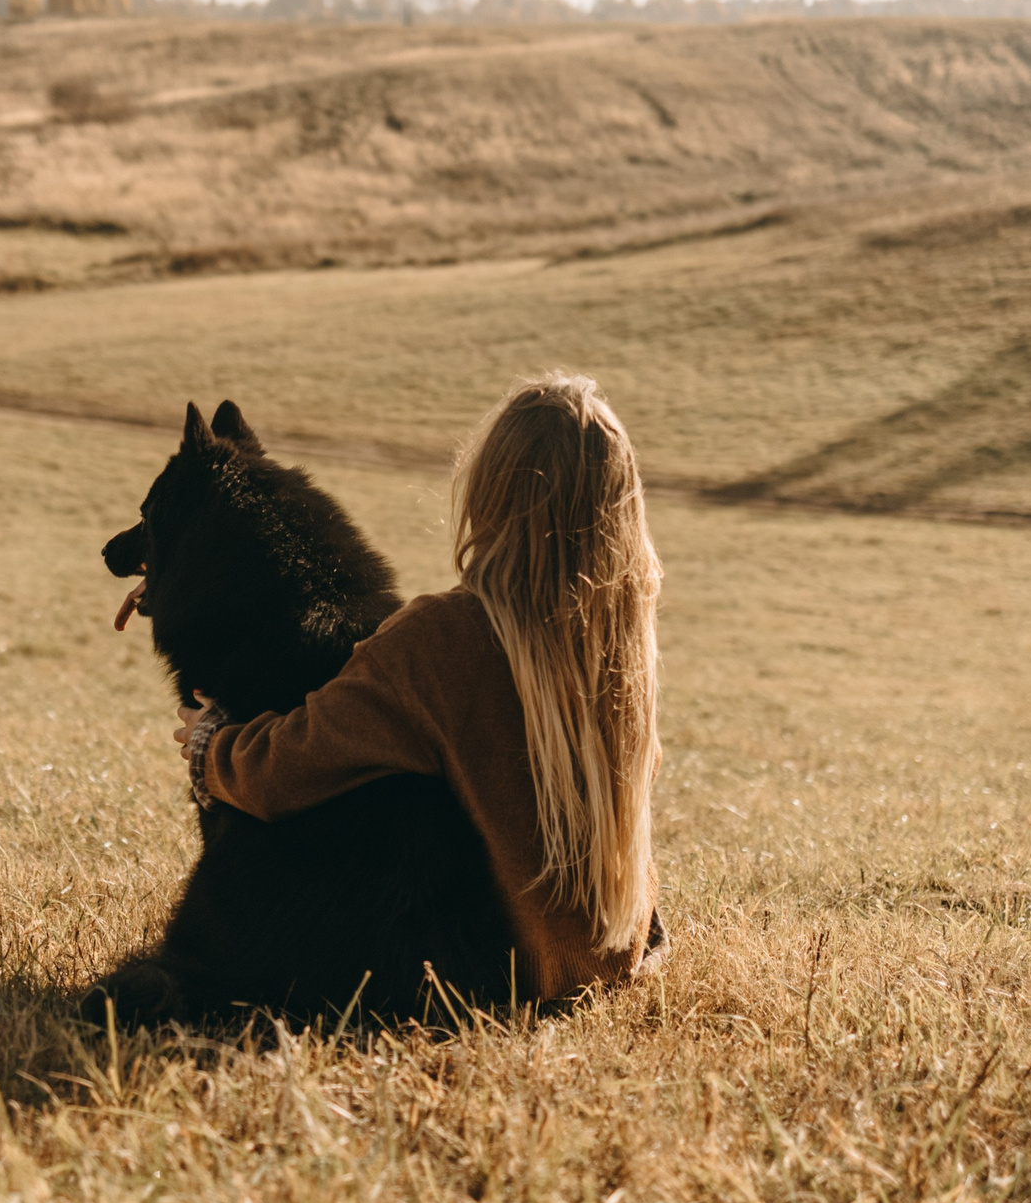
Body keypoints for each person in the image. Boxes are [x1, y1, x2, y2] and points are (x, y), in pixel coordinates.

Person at [175, 372, 668, 1003]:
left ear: (489, 489)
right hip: (615, 958)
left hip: (501, 970)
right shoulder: (623, 642)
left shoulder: (443, 636)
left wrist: (211, 744)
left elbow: (283, 769)